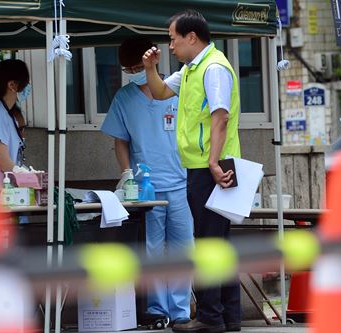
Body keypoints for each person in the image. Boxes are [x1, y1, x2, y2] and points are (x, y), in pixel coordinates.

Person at [142, 10, 241, 333]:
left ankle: (211, 318)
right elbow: (159, 93)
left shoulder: (212, 69)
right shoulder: (190, 70)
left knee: (209, 242)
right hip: (206, 166)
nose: (170, 45)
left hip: (211, 166)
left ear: (191, 38)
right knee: (218, 242)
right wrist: (150, 68)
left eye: (173, 39)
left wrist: (213, 162)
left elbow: (220, 117)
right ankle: (230, 316)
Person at [100, 36, 194, 326]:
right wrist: (126, 173)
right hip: (146, 188)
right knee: (152, 250)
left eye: (135, 66)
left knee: (182, 248)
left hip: (181, 182)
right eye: (127, 69)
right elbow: (120, 141)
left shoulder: (177, 89)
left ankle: (181, 312)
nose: (132, 72)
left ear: (151, 60)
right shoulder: (124, 98)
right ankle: (157, 310)